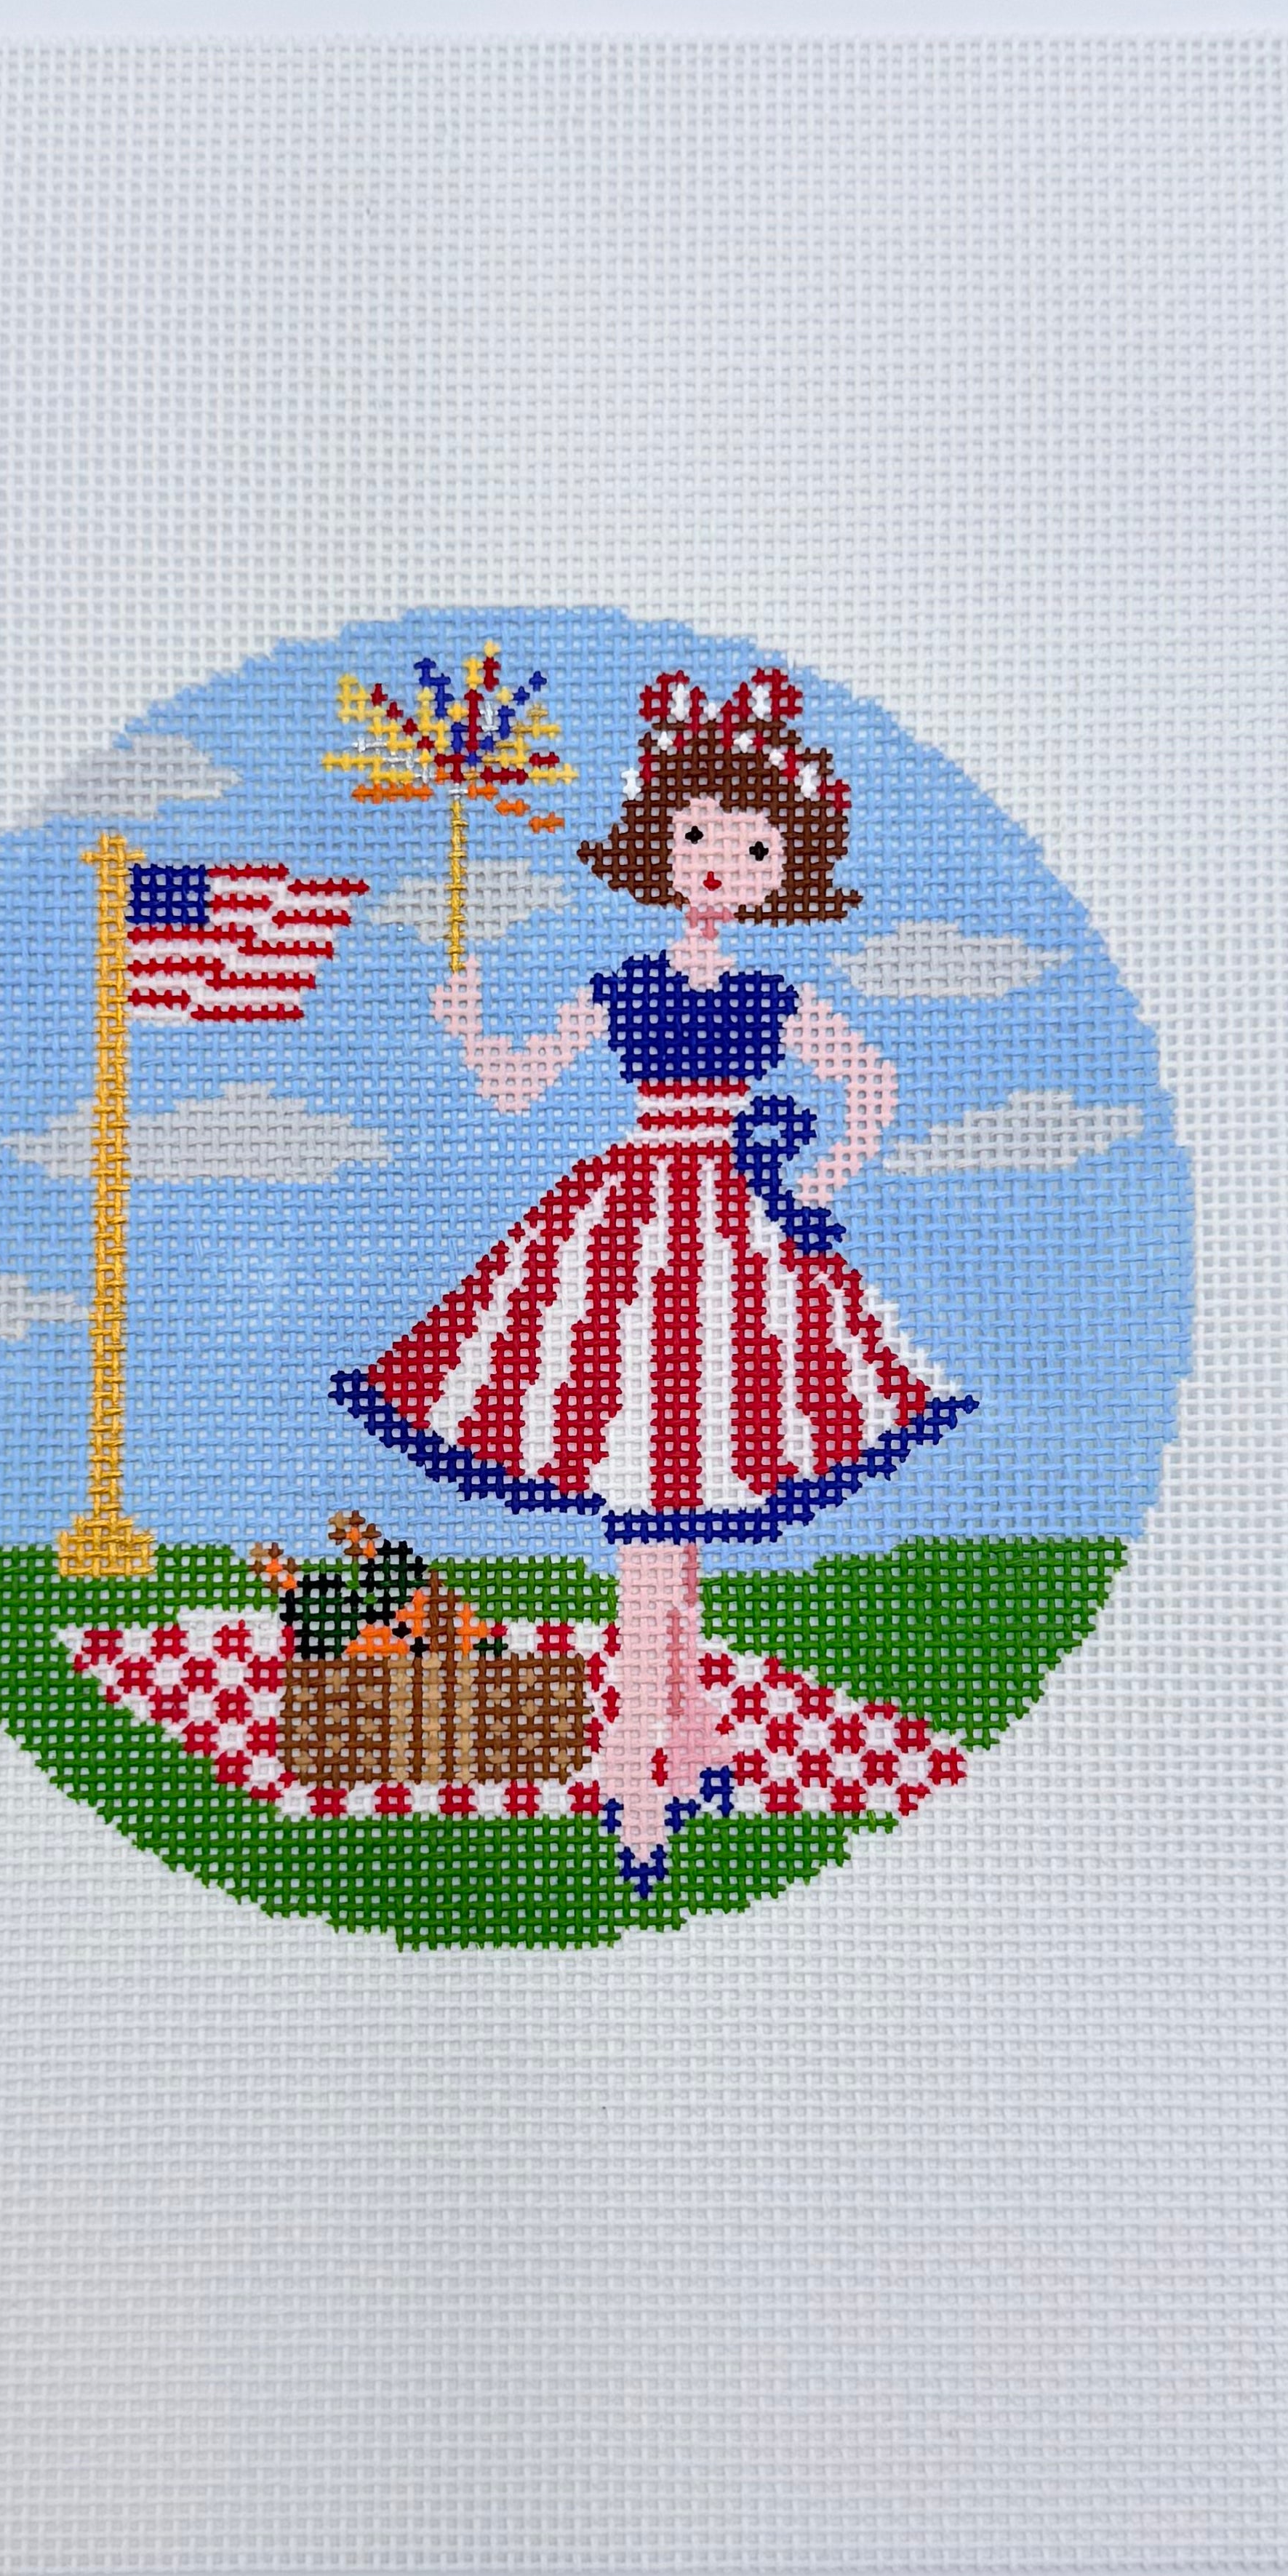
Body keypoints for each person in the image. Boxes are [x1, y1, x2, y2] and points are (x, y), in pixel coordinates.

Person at [331, 668, 975, 1890]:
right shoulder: (623, 984)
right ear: (659, 842)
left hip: (727, 1239)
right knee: (654, 1518)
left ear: (785, 867)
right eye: (698, 837)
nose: (720, 863)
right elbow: (518, 1085)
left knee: (668, 1519)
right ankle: (668, 1745)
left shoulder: (775, 997)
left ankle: (661, 1750)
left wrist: (817, 1180)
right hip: (627, 1240)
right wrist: (469, 1025)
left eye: (752, 846)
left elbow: (873, 1085)